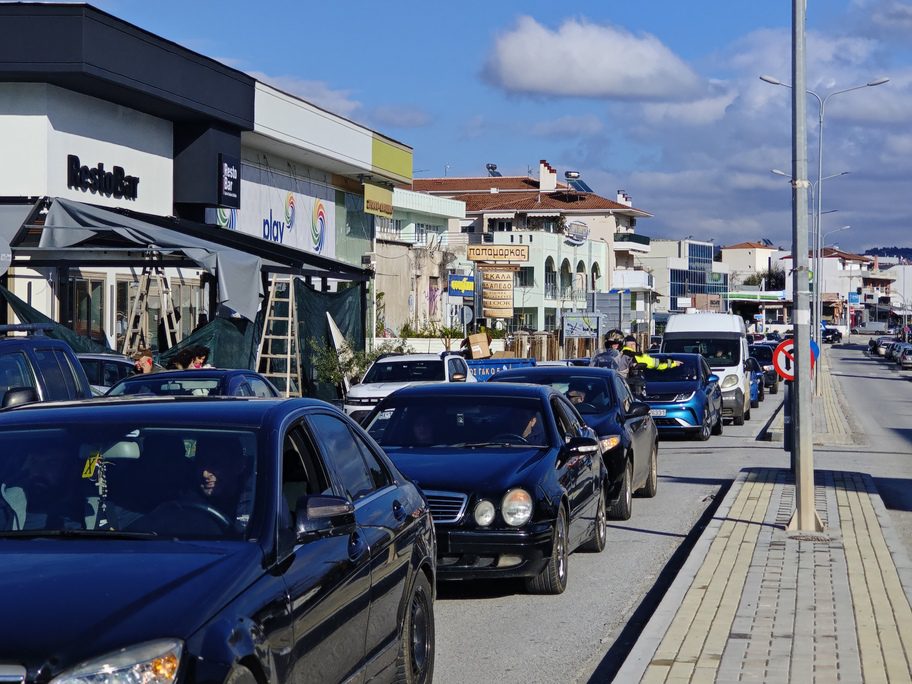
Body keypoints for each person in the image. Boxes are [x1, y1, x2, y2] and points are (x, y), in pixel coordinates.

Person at [0, 446, 84, 530]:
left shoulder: (88, 515)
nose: (37, 472)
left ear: (73, 470)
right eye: (34, 462)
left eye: (51, 463)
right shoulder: (6, 509)